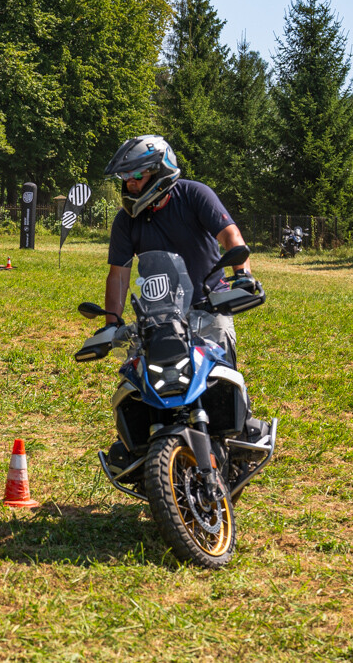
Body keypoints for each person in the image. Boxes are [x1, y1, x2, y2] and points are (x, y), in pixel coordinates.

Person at [93, 135, 268, 467]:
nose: (129, 184)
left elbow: (230, 235)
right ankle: (142, 450)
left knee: (219, 381)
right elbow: (118, 275)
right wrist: (111, 324)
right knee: (141, 385)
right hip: (157, 315)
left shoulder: (194, 195)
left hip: (208, 305)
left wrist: (243, 275)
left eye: (137, 175)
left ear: (160, 171)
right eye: (126, 177)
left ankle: (238, 438)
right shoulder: (125, 220)